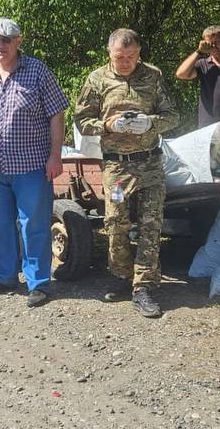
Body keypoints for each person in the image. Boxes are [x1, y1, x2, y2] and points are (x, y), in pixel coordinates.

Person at [0, 18, 68, 307]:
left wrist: (55, 155)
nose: (1, 45)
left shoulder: (37, 71)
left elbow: (56, 114)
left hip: (32, 165)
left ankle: (38, 283)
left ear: (19, 41)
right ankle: (5, 277)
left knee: (33, 225)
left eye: (7, 39)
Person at [74, 28, 179, 318]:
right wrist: (108, 126)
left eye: (131, 57)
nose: (125, 63)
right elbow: (82, 120)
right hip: (117, 167)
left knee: (150, 225)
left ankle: (143, 286)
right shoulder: (97, 79)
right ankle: (121, 276)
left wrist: (150, 122)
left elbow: (173, 116)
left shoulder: (153, 76)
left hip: (149, 165)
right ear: (109, 53)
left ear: (139, 53)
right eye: (120, 57)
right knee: (116, 221)